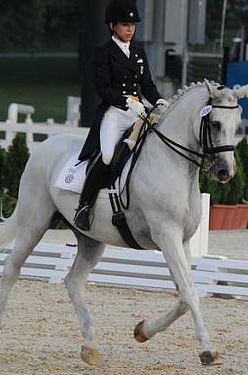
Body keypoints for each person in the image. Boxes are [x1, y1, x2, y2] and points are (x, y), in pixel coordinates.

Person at [74, 0, 169, 231]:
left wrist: (159, 100)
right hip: (115, 113)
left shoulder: (138, 52)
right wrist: (126, 102)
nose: (130, 29)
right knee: (107, 155)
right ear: (112, 26)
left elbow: (147, 85)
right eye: (125, 25)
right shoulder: (103, 52)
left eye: (133, 25)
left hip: (138, 114)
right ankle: (84, 206)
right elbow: (103, 88)